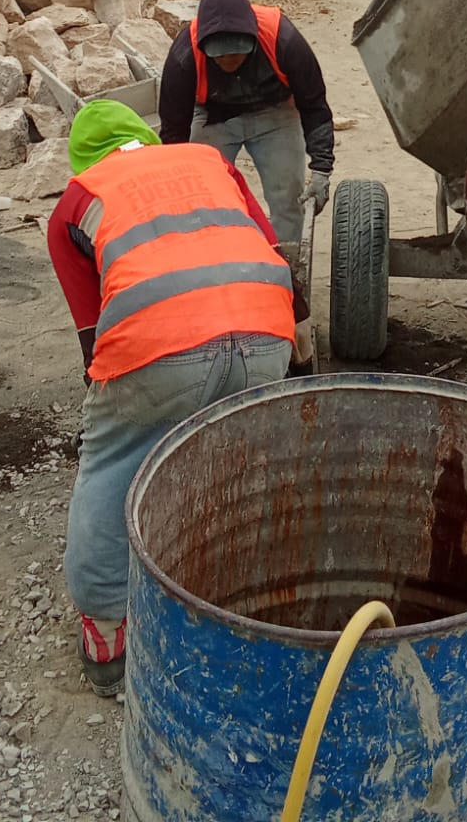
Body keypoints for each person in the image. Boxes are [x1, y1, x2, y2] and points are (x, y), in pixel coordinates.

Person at [47, 100, 294, 695]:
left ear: (84, 161)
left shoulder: (77, 200)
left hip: (158, 341)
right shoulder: (209, 161)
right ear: (147, 139)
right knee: (244, 460)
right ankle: (250, 605)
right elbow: (273, 247)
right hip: (267, 323)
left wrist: (119, 411)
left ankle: (108, 633)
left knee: (110, 462)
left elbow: (93, 338)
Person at [159, 0, 334, 244]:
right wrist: (178, 181)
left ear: (252, 39)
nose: (229, 60)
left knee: (289, 198)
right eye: (221, 55)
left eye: (236, 52)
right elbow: (174, 127)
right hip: (214, 117)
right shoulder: (185, 54)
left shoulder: (282, 38)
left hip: (275, 113)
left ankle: (286, 262)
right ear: (205, 47)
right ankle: (217, 257)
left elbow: (314, 104)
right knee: (205, 196)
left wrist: (321, 168)